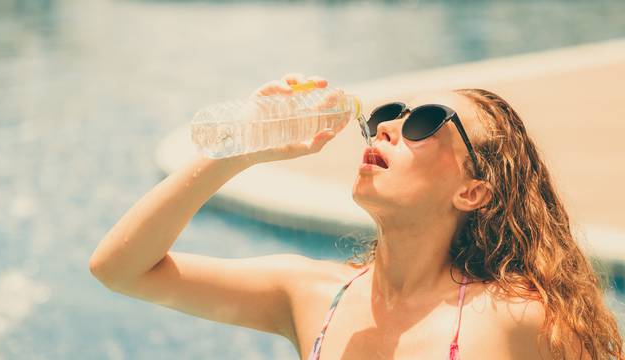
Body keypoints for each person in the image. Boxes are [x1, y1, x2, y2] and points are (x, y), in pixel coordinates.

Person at [89, 73, 623, 359]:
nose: (389, 127)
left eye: (428, 123)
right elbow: (120, 268)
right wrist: (238, 150)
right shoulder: (310, 295)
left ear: (473, 192)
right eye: (391, 115)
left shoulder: (520, 321)